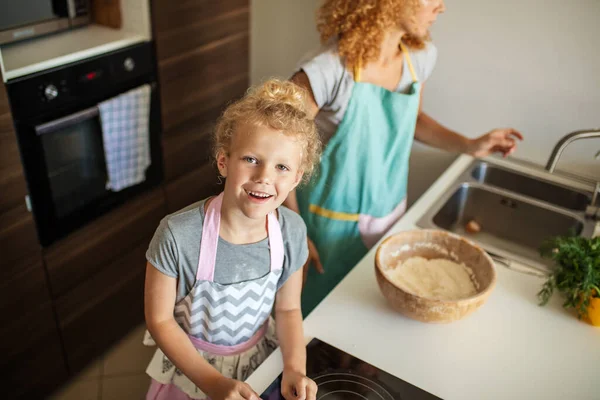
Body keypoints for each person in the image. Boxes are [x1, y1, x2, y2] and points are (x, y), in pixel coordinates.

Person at [285, 0, 523, 316]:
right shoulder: (325, 72)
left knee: (374, 311)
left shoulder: (420, 58)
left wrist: (470, 145)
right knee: (321, 317)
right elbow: (278, 153)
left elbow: (416, 119)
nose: (442, 7)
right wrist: (292, 230)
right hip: (324, 226)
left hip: (390, 212)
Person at [143, 79, 321, 400]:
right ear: (224, 161)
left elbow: (288, 310)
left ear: (296, 178)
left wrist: (295, 368)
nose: (264, 177)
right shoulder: (177, 235)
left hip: (260, 366)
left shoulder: (292, 232)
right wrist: (213, 383)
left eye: (281, 166)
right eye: (251, 159)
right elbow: (159, 320)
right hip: (193, 373)